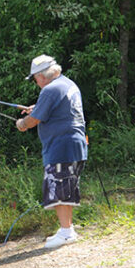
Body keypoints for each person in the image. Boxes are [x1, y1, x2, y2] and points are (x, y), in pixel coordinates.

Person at [16, 55, 87, 249]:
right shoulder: (67, 84)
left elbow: (32, 120)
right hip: (75, 144)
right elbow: (55, 109)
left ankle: (66, 233)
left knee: (60, 189)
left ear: (42, 75)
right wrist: (37, 108)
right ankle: (67, 229)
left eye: (35, 79)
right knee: (67, 187)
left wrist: (21, 124)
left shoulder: (50, 89)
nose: (36, 83)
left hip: (61, 146)